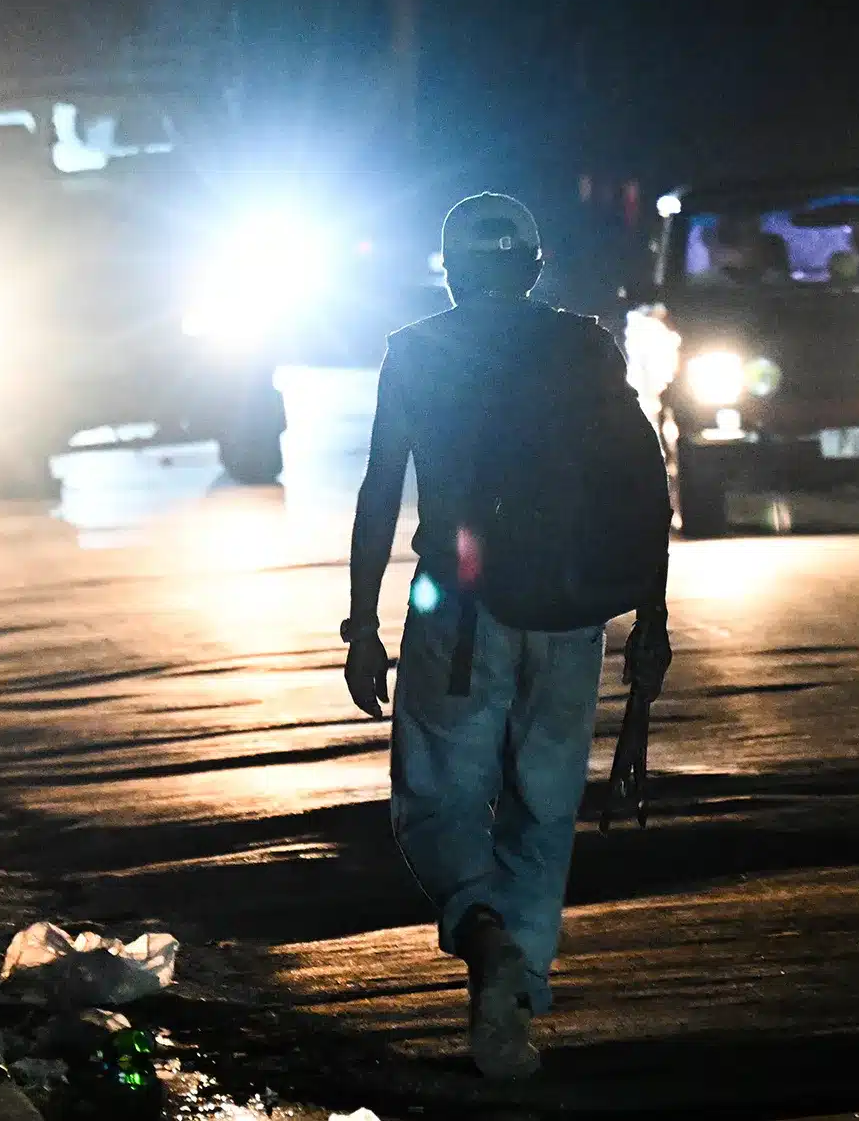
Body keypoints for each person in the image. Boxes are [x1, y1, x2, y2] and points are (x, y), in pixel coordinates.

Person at [342, 192, 672, 1081]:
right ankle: (513, 1007)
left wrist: (363, 623)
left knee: (437, 801)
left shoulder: (417, 351)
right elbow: (643, 484)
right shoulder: (585, 345)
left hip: (457, 609)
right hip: (571, 610)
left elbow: (381, 488)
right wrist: (652, 616)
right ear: (533, 267)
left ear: (450, 271)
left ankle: (484, 937)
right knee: (545, 809)